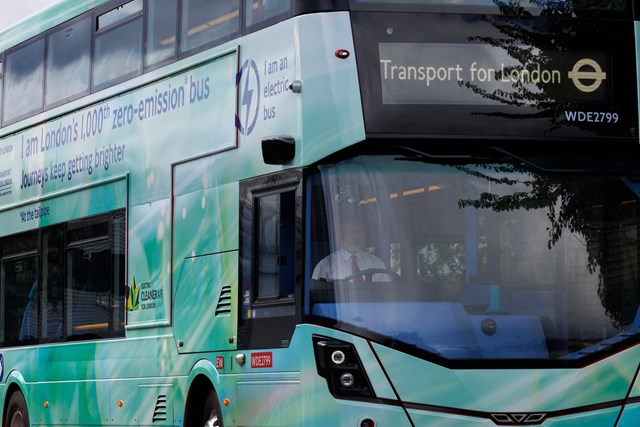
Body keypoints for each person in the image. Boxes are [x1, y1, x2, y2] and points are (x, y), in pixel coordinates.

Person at [312, 218, 387, 282]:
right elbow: (315, 294)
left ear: (365, 236)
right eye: (350, 232)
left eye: (359, 232)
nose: (355, 236)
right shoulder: (326, 265)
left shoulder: (377, 263)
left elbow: (388, 293)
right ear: (339, 236)